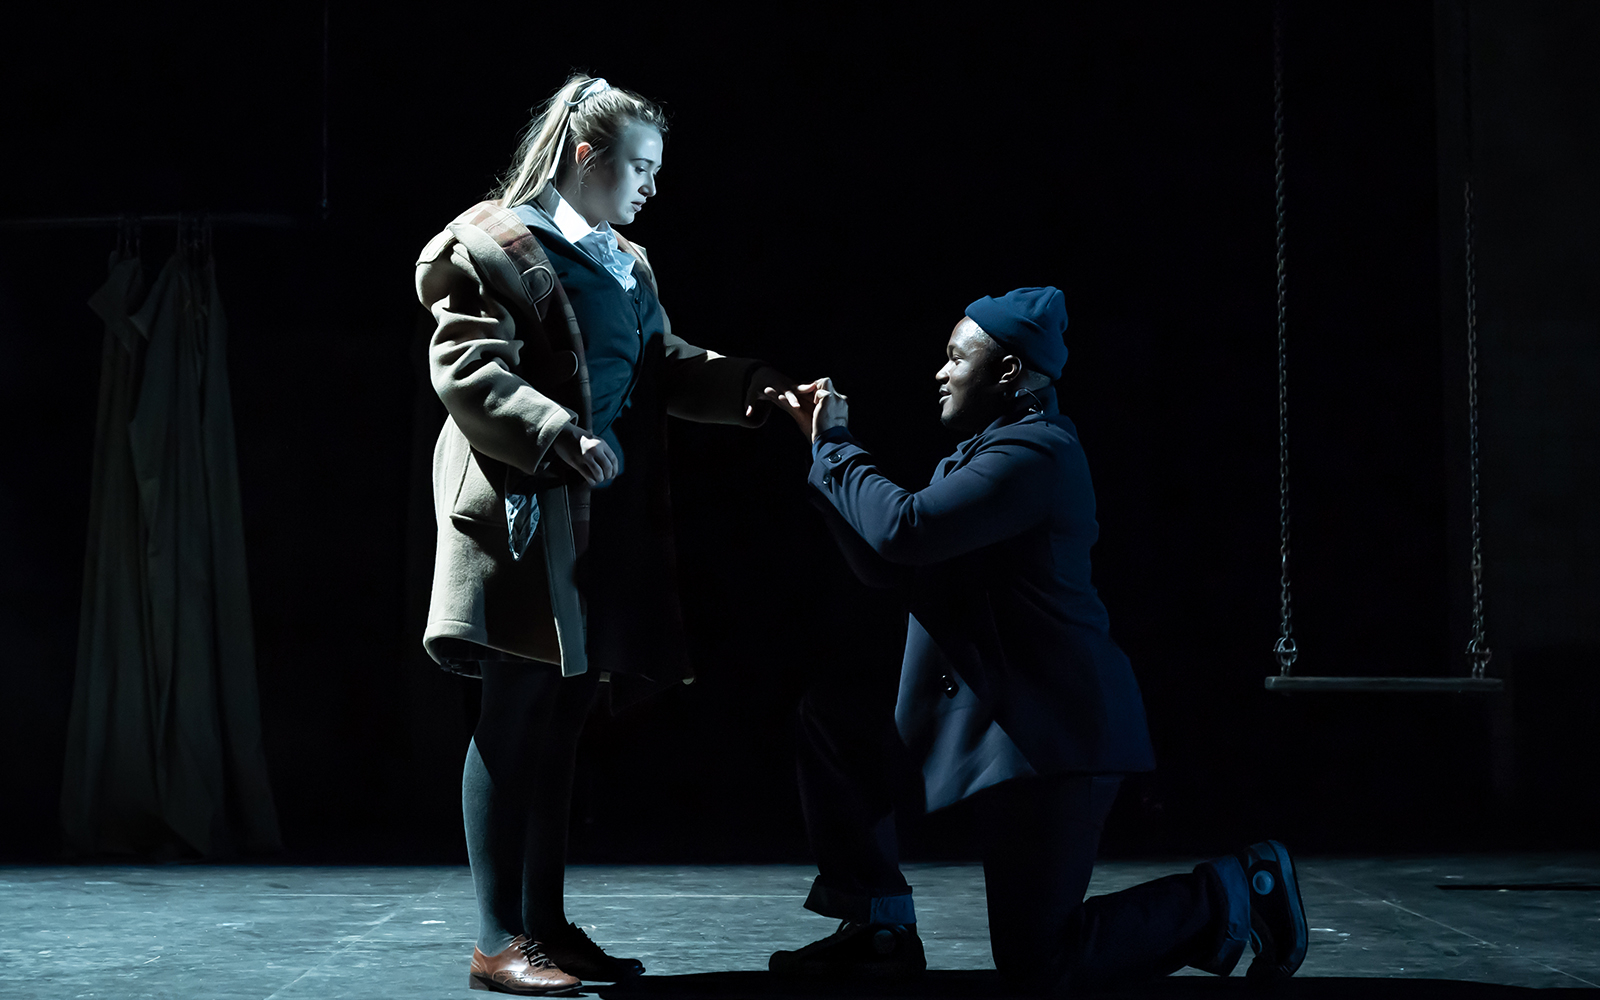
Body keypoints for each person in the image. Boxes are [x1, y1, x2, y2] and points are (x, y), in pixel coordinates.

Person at [763, 287, 1308, 993]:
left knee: (1040, 959)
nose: (941, 372)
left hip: (1056, 731)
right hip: (996, 720)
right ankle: (877, 928)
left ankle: (1237, 890)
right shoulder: (983, 454)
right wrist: (819, 456)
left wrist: (835, 447)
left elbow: (906, 531)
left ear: (1010, 370)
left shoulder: (1035, 455)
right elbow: (890, 561)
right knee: (836, 719)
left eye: (957, 357)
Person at [415, 74, 802, 995]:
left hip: (597, 521)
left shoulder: (625, 260)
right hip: (523, 511)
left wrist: (753, 386)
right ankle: (497, 940)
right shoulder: (491, 247)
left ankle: (544, 926)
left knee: (561, 723)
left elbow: (661, 364)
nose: (651, 188)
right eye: (639, 167)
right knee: (514, 716)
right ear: (586, 158)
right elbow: (467, 366)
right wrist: (557, 433)